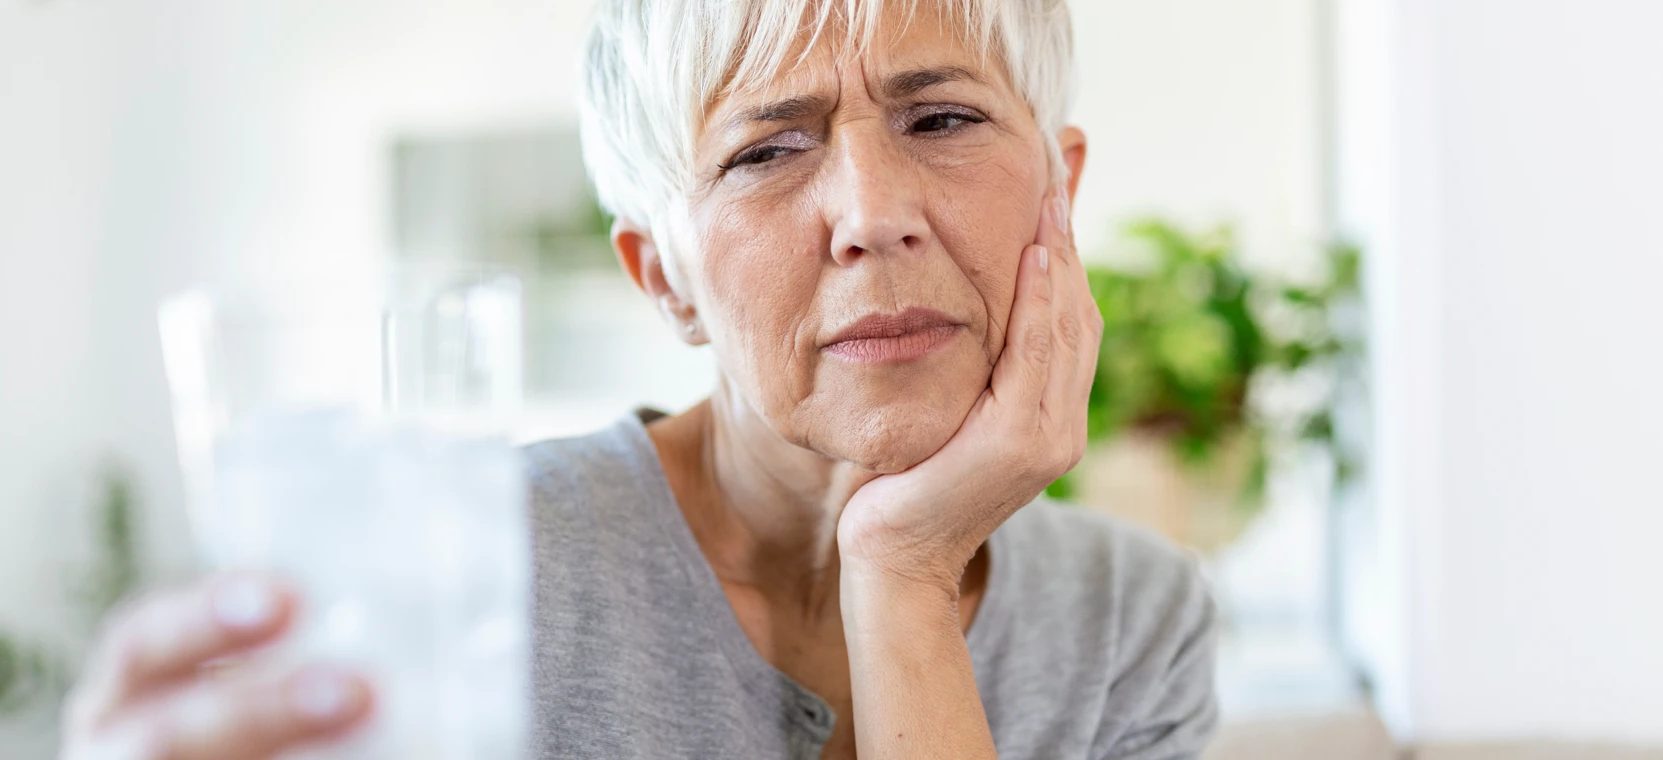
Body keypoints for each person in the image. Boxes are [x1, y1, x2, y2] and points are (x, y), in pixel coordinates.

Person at [61, 0, 1217, 757]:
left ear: (1057, 196)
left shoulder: (1131, 622)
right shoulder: (462, 571)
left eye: (943, 117)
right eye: (766, 150)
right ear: (660, 275)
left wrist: (901, 569)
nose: (871, 213)